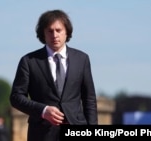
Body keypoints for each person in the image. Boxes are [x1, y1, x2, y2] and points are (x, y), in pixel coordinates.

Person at [10, 9, 98, 141]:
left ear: (66, 32)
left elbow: (89, 99)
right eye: (50, 31)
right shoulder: (29, 61)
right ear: (43, 34)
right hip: (42, 134)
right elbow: (16, 97)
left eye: (58, 30)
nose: (54, 35)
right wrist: (43, 111)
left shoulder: (82, 59)